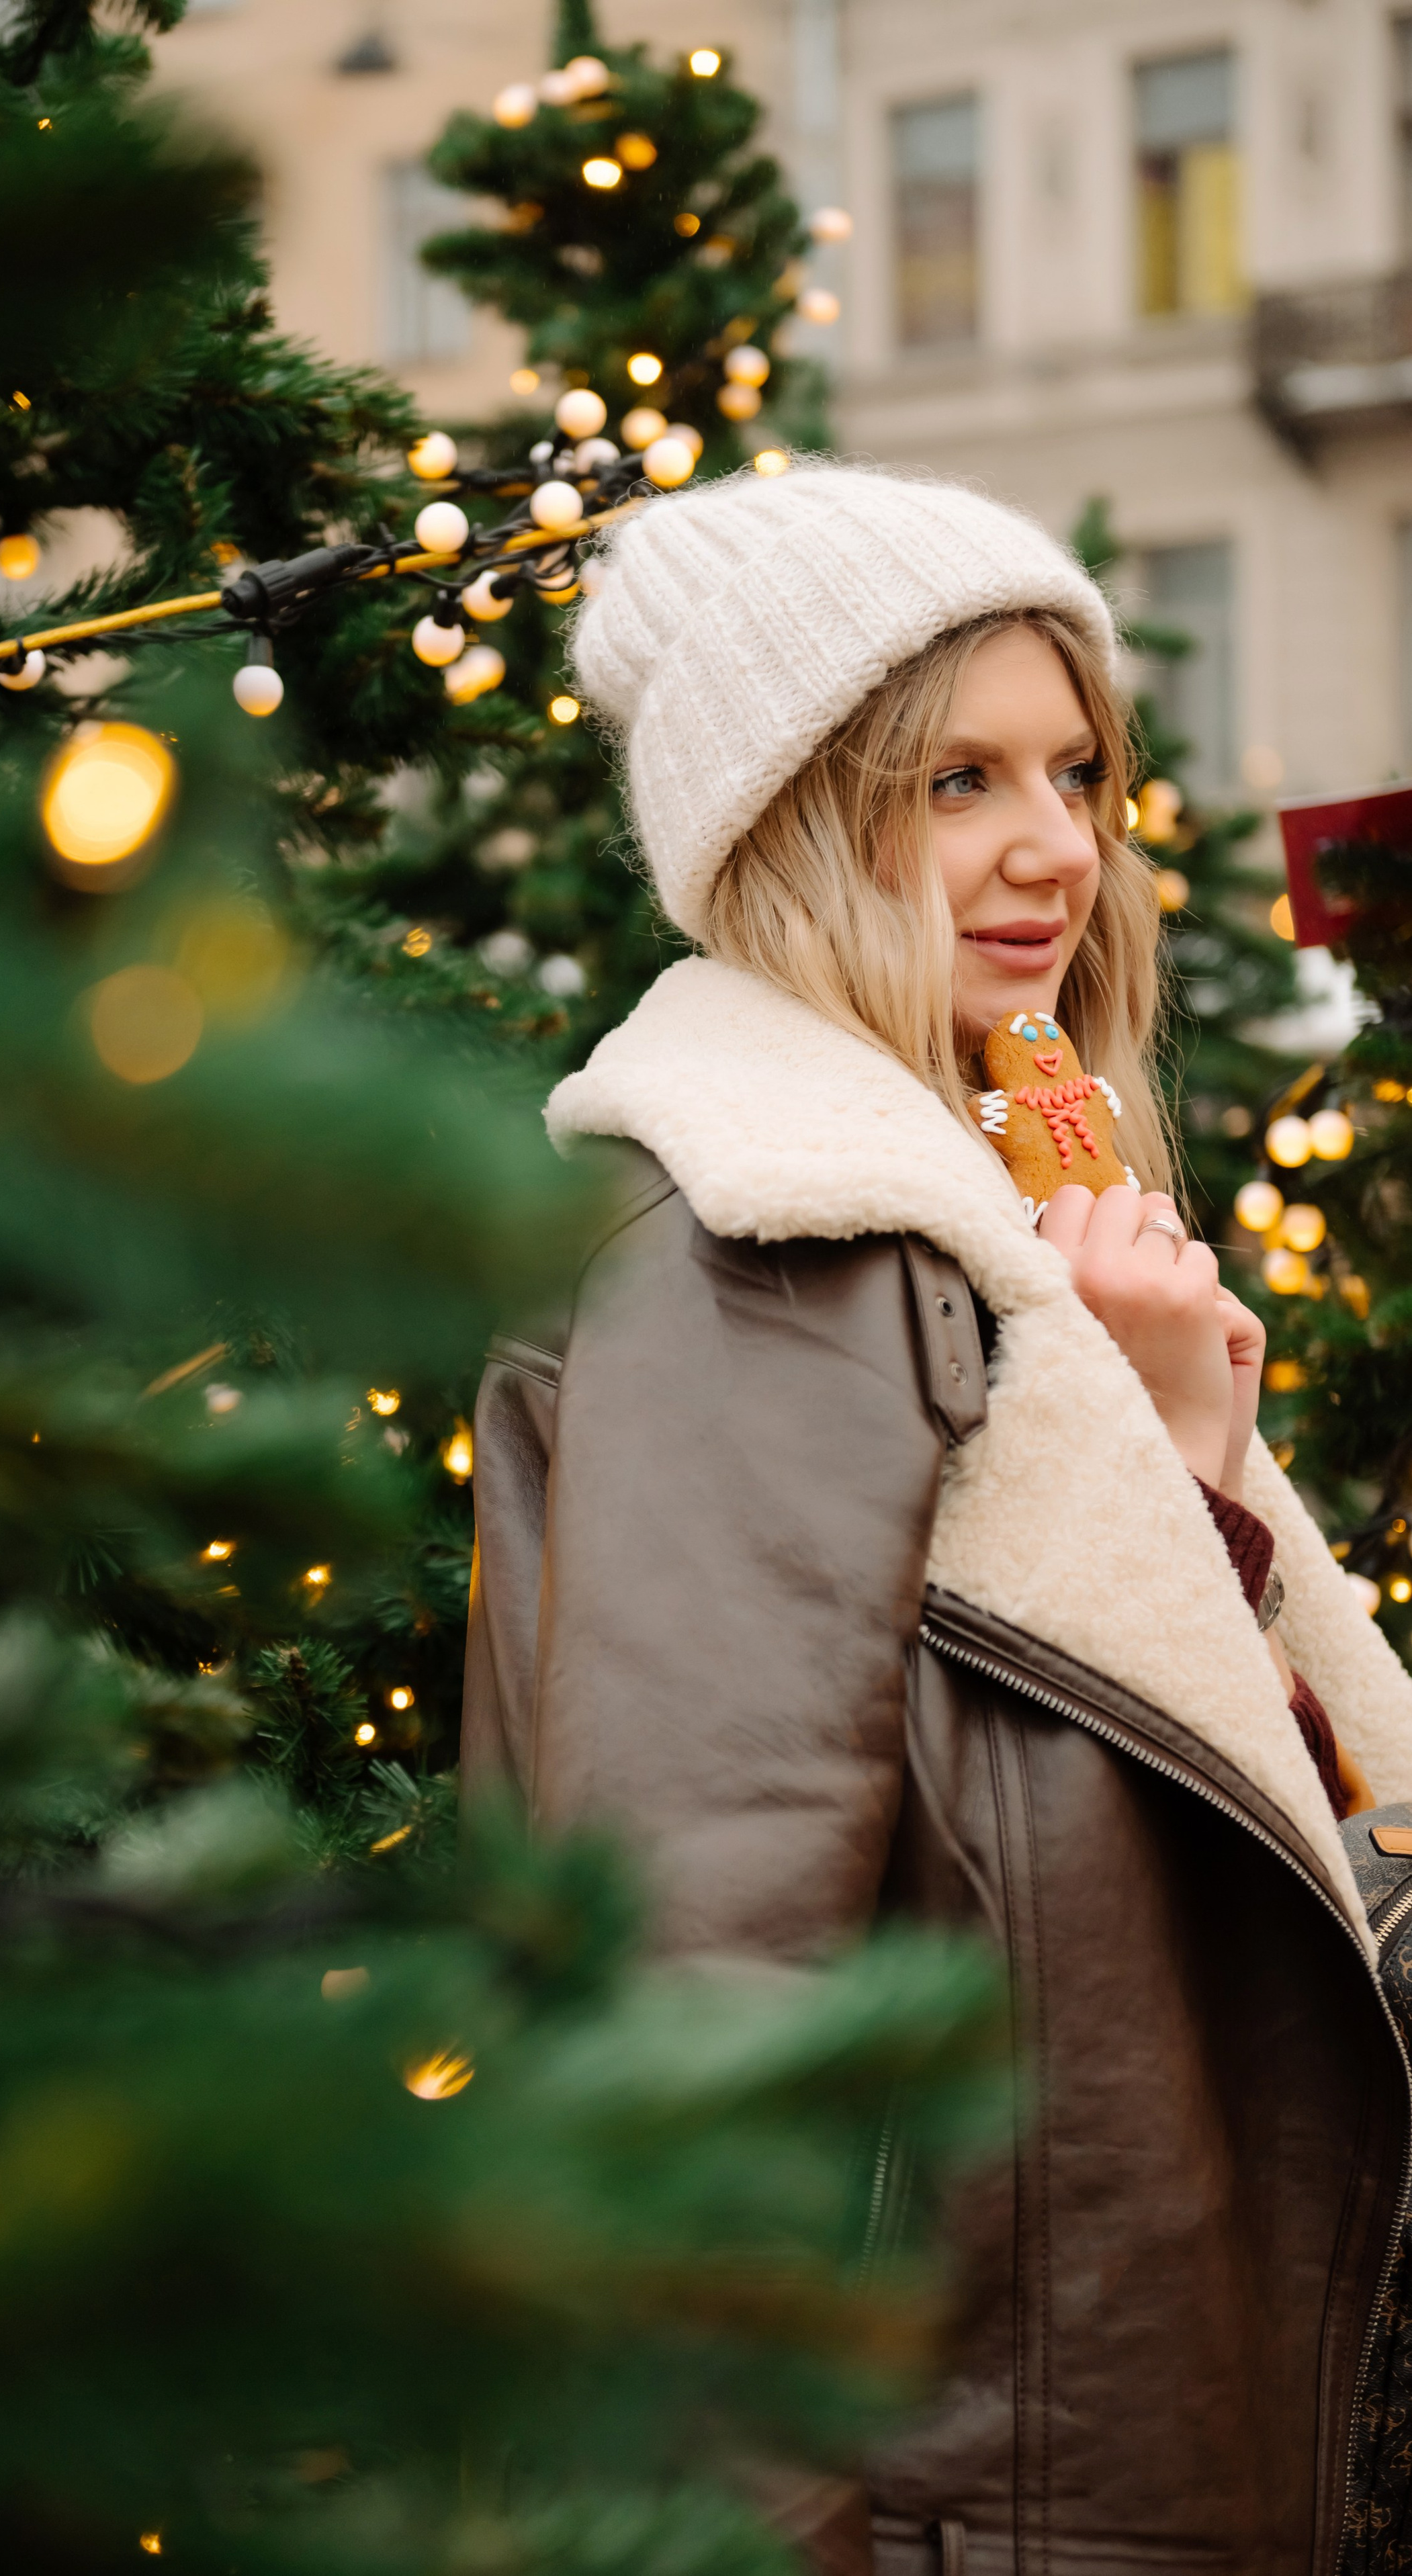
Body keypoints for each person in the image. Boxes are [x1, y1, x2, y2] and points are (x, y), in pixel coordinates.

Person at [461, 465, 1412, 2576]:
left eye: (1080, 769)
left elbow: (1129, 1796)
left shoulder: (977, 1233)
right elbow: (702, 2014)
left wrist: (1184, 1461)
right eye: (957, 775)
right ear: (788, 817)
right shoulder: (772, 1241)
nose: (1055, 848)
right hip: (970, 2499)